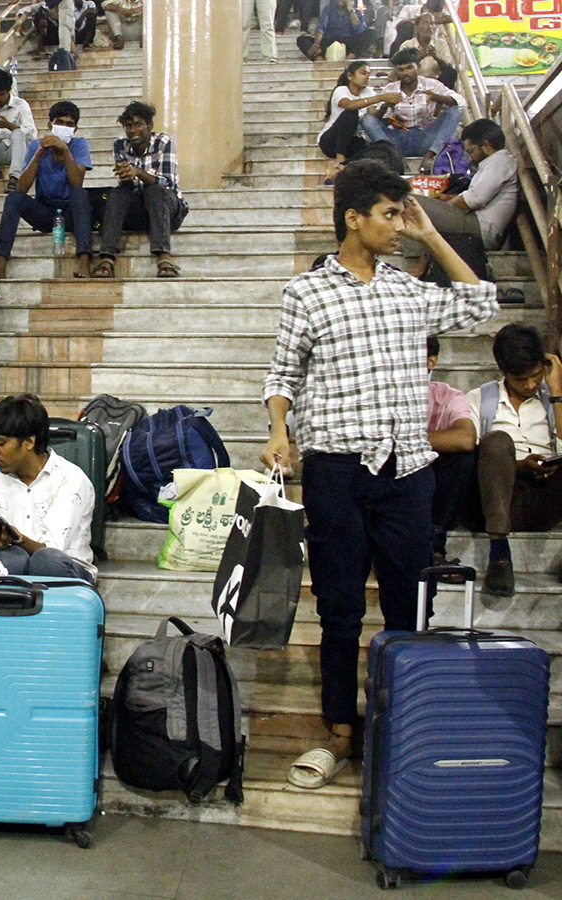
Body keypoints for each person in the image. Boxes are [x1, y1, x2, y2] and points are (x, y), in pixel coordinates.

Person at [260, 160, 498, 791]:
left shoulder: (408, 290)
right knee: (338, 606)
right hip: (336, 470)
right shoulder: (306, 293)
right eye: (390, 215)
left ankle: (400, 728)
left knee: (408, 604)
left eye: (402, 214)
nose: (398, 226)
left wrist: (431, 234)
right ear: (352, 218)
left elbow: (479, 303)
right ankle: (339, 729)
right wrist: (279, 431)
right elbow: (282, 375)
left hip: (407, 472)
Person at [465, 324, 562, 598]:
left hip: (546, 499)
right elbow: (471, 462)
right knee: (496, 440)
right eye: (521, 379)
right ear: (503, 372)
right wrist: (519, 466)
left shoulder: (554, 399)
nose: (531, 384)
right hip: (497, 498)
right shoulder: (479, 399)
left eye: (536, 375)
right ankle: (499, 555)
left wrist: (556, 394)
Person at [0, 393, 97, 583]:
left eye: (0, 442)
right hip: (19, 566)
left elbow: (54, 550)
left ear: (29, 442)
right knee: (6, 560)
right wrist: (0, 544)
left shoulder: (70, 479)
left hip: (65, 569)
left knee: (46, 561)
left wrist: (18, 539)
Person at [0, 100, 93, 280]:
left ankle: (84, 260)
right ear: (50, 125)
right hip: (45, 211)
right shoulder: (36, 146)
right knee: (14, 198)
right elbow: (22, 188)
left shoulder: (79, 145)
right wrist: (38, 154)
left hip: (69, 212)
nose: (64, 127)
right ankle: (0, 261)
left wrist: (65, 151)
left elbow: (77, 183)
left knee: (80, 194)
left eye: (69, 125)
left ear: (75, 129)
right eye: (60, 123)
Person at [404, 118, 519, 276]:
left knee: (408, 201)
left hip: (479, 227)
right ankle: (423, 257)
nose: (470, 158)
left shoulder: (500, 163)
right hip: (474, 221)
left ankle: (416, 260)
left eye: (471, 151)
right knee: (421, 203)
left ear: (486, 146)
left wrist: (445, 205)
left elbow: (473, 200)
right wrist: (442, 202)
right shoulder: (493, 163)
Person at [92, 101, 188, 280]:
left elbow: (167, 183)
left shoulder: (163, 142)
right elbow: (128, 186)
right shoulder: (120, 145)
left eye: (138, 124)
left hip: (169, 208)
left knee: (154, 191)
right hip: (142, 209)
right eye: (128, 126)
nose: (133, 130)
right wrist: (127, 177)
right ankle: (106, 257)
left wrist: (138, 172)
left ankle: (164, 257)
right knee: (118, 193)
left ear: (149, 126)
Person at [361, 47, 463, 175]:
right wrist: (386, 107)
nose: (405, 73)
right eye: (401, 69)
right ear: (396, 71)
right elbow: (380, 120)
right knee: (366, 119)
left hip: (425, 137)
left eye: (409, 68)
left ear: (418, 67)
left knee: (455, 111)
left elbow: (460, 101)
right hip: (398, 141)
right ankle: (395, 157)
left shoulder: (431, 84)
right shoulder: (390, 89)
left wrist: (437, 97)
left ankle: (430, 156)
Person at [426, 335, 478, 576]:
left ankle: (434, 546)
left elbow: (466, 439)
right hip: (390, 481)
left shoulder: (447, 395)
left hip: (433, 484)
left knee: (464, 458)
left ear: (431, 361)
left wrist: (406, 439)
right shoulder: (380, 395)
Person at [317, 61, 401, 185]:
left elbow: (372, 116)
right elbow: (349, 105)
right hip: (331, 141)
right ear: (350, 76)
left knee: (383, 147)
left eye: (368, 74)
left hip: (353, 141)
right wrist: (381, 97)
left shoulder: (368, 92)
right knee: (352, 113)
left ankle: (340, 169)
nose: (367, 77)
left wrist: (384, 106)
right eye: (363, 73)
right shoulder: (341, 90)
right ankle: (340, 159)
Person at [298, 0, 377, 61]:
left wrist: (351, 10)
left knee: (371, 33)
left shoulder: (356, 12)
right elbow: (321, 27)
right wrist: (316, 44)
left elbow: (360, 31)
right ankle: (320, 60)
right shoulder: (328, 9)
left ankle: (348, 59)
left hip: (348, 43)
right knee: (302, 39)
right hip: (329, 42)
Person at [394, 12, 456, 88]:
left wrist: (437, 58)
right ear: (416, 28)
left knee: (452, 72)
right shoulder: (407, 44)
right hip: (413, 82)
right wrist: (420, 56)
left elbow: (448, 67)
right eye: (425, 23)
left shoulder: (441, 44)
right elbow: (401, 67)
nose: (430, 26)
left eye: (432, 23)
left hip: (435, 82)